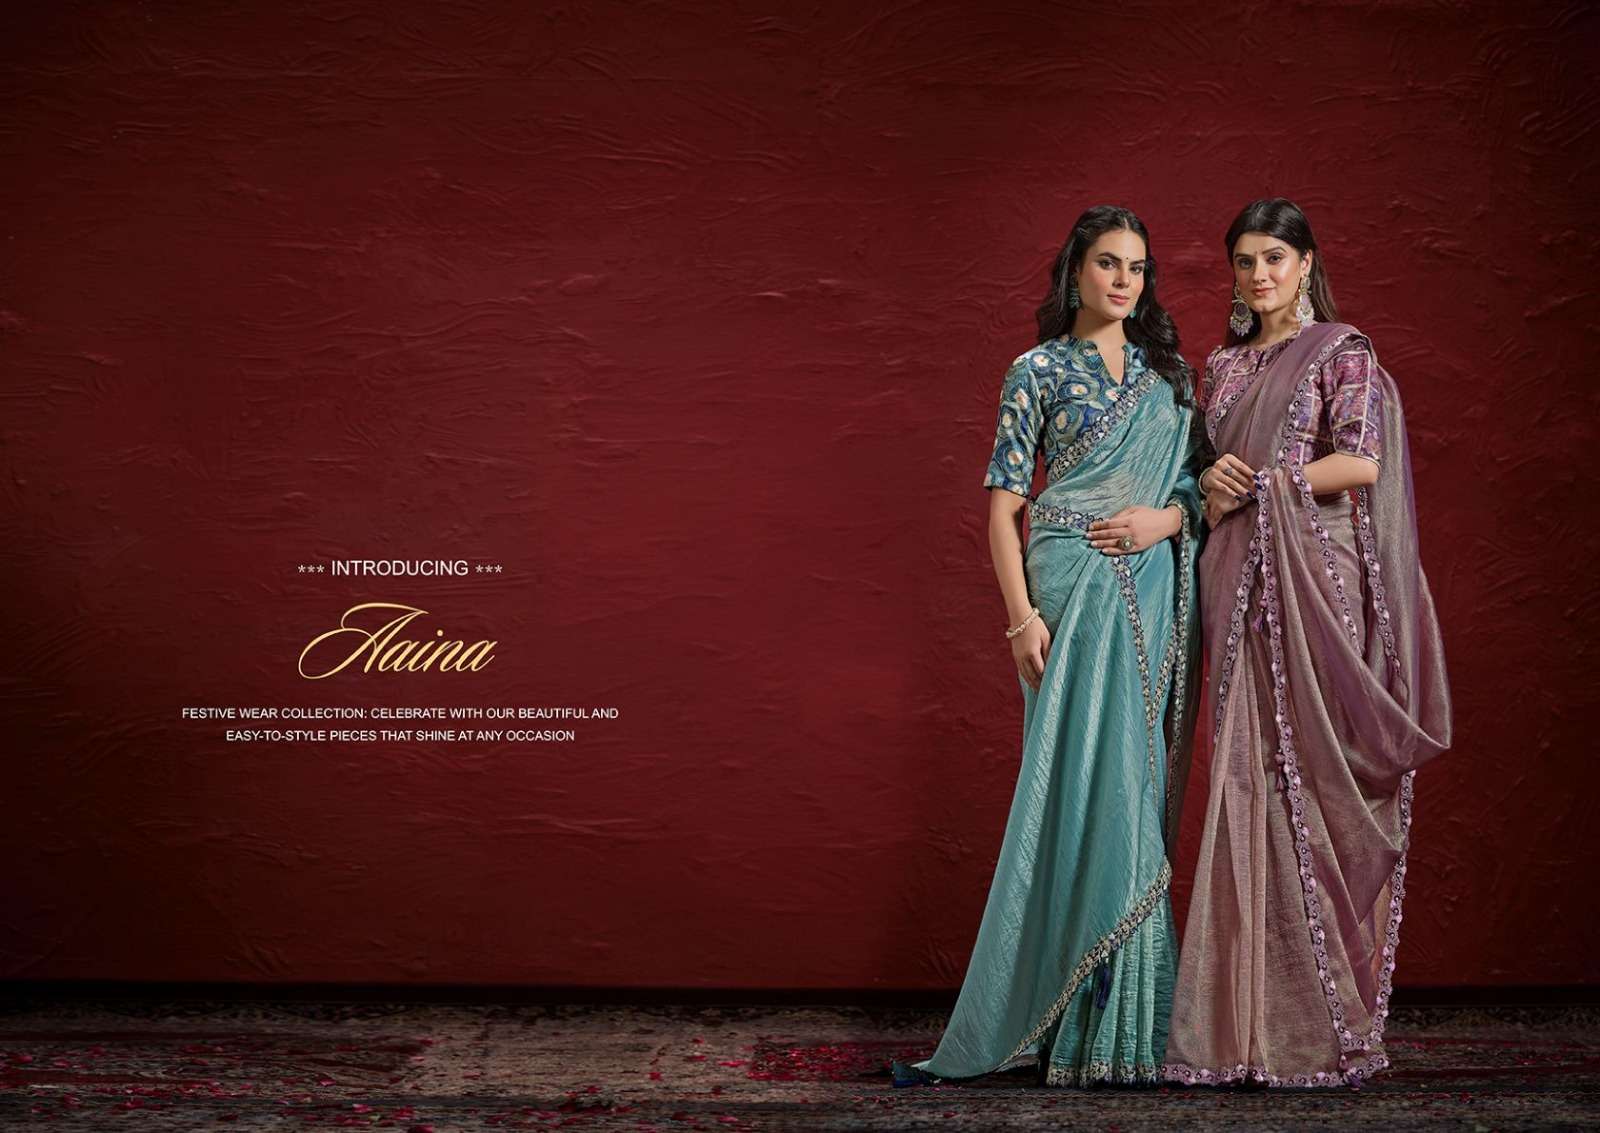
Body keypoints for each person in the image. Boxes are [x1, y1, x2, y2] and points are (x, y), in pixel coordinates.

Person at [892, 205, 1205, 1088]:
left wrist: (1165, 520)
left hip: (1148, 587)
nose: (1123, 281)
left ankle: (1118, 1031)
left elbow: (1191, 488)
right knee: (1071, 785)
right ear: (1075, 271)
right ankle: (1061, 1016)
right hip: (1066, 591)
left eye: (1137, 267)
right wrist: (1021, 617)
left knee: (1131, 786)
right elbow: (1003, 509)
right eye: (1108, 263)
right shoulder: (1035, 371)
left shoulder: (1169, 379)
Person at [1162, 198, 1452, 1088]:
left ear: (1306, 264)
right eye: (1245, 261)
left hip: (1312, 581)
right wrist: (1212, 481)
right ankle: (1237, 1027)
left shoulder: (1340, 351)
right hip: (1234, 576)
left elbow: (1360, 461)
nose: (1258, 275)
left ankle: (1313, 1027)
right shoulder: (1220, 366)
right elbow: (1207, 473)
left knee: (1304, 783)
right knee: (1243, 781)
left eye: (1274, 258)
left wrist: (1265, 483)